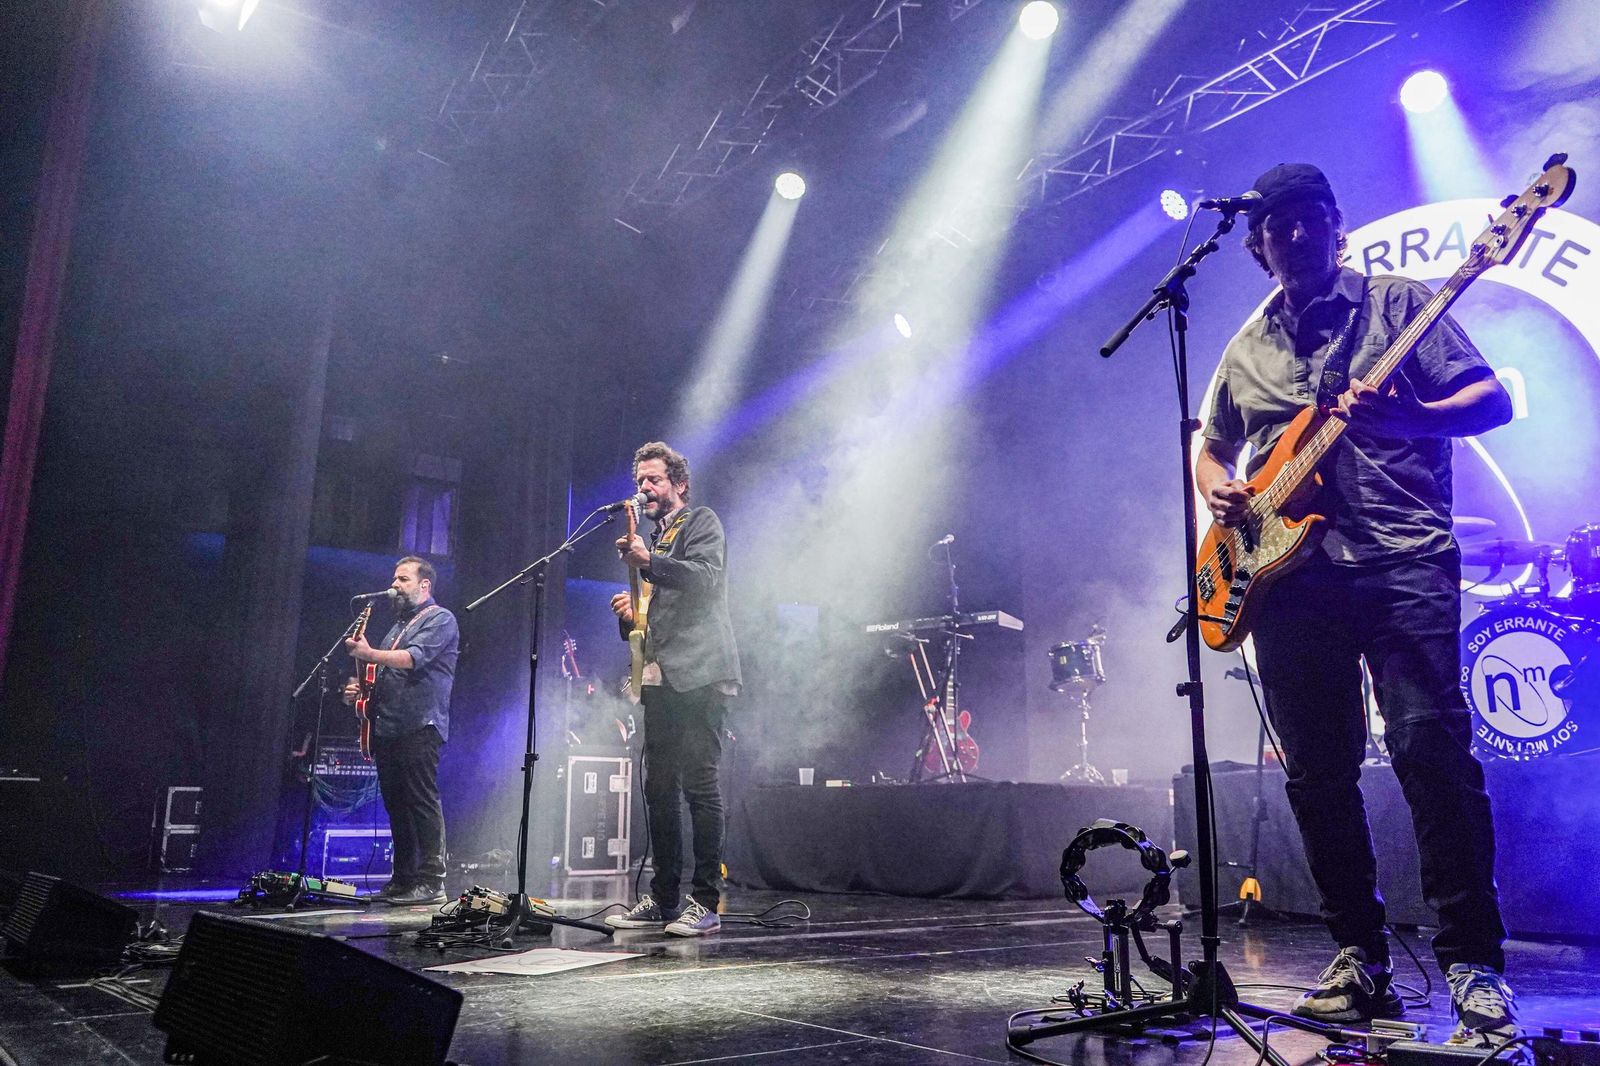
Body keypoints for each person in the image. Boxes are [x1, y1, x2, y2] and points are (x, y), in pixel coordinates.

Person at [1195, 163, 1517, 1046]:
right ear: (1258, 247)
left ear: (1337, 226)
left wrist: (1409, 417)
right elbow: (1214, 445)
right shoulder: (1245, 346)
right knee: (1317, 775)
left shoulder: (1399, 303)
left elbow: (1491, 401)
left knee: (1430, 753)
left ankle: (1474, 965)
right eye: (1277, 226)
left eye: (1309, 219)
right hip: (1290, 577)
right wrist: (1221, 491)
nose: (1294, 235)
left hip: (1400, 559)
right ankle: (1358, 958)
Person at [604, 441, 741, 937]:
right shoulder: (655, 540)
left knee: (700, 786)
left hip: (702, 673)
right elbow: (650, 625)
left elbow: (706, 581)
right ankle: (662, 898)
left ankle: (704, 901)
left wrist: (649, 563)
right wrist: (629, 617)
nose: (645, 489)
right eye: (640, 481)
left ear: (679, 484)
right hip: (661, 678)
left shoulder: (701, 522)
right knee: (657, 789)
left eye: (654, 480)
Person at [342, 556, 460, 906]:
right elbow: (383, 670)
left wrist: (370, 653)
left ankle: (432, 879)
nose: (394, 585)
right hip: (389, 725)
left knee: (421, 800)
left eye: (403, 579)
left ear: (424, 585)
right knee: (396, 804)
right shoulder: (397, 625)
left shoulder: (440, 618)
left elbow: (412, 658)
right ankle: (404, 876)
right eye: (394, 578)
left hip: (421, 723)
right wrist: (359, 691)